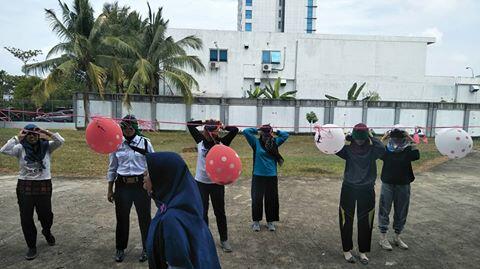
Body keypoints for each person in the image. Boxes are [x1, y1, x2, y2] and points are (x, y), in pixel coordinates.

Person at [144, 152, 222, 269]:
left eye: (149, 172)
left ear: (162, 177)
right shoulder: (179, 207)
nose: (144, 175)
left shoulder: (171, 220)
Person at [0, 124, 65, 260]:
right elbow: (4, 150)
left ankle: (46, 231)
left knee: (46, 215)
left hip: (44, 184)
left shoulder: (47, 146)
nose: (32, 136)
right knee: (26, 218)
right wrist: (17, 137)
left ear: (38, 135)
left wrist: (45, 132)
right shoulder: (20, 148)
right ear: (26, 136)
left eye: (34, 134)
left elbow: (60, 141)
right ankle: (31, 246)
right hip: (25, 185)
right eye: (29, 134)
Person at [107, 115, 154, 263]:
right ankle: (120, 248)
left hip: (141, 185)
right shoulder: (116, 144)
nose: (128, 130)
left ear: (135, 127)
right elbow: (112, 168)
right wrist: (110, 189)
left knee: (145, 218)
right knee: (121, 218)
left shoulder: (145, 143)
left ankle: (147, 248)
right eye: (125, 127)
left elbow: (152, 164)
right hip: (122, 185)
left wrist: (150, 185)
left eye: (131, 127)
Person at [336, 123, 385, 264]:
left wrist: (371, 136)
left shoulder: (372, 150)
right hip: (349, 188)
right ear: (353, 137)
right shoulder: (347, 150)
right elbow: (334, 148)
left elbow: (382, 148)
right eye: (357, 138)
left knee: (366, 221)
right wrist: (345, 138)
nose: (359, 140)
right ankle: (346, 250)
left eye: (361, 138)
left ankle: (363, 252)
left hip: (367, 189)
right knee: (346, 220)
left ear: (366, 137)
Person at [187, 119, 238, 252]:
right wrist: (204, 121)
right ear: (204, 131)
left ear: (216, 132)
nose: (209, 134)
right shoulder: (199, 141)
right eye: (207, 131)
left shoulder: (222, 143)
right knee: (202, 212)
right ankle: (204, 239)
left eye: (212, 131)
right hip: (201, 183)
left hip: (217, 183)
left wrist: (222, 126)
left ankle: (224, 239)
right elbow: (189, 124)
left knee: (219, 212)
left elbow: (235, 130)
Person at [378, 127, 420, 251]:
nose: (396, 140)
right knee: (384, 209)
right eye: (394, 138)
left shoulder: (407, 149)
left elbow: (416, 155)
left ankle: (397, 236)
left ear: (403, 138)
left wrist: (410, 138)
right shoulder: (386, 149)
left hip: (403, 184)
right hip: (388, 183)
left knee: (401, 210)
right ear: (391, 138)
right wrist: (383, 138)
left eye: (399, 138)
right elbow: (377, 151)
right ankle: (383, 237)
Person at [243, 124, 289, 232]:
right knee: (257, 199)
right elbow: (246, 131)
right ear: (261, 134)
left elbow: (285, 135)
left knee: (271, 199)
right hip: (258, 175)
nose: (267, 135)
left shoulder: (275, 143)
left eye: (268, 133)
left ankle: (270, 222)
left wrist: (276, 130)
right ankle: (256, 222)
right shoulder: (255, 143)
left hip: (271, 175)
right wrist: (258, 128)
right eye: (265, 133)